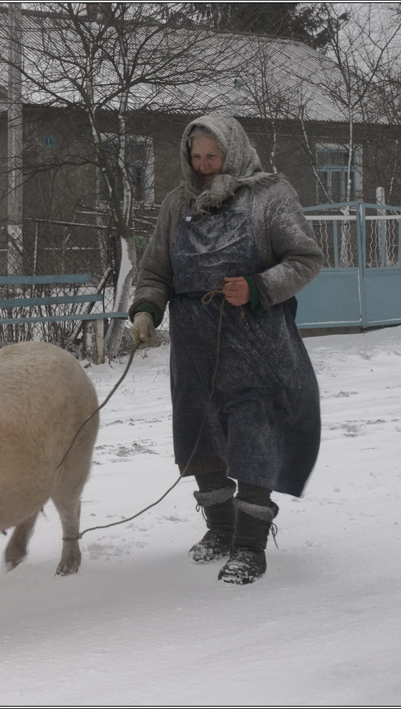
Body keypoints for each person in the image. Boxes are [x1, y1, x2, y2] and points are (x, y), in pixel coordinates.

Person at [129, 114, 323, 585]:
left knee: (255, 441)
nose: (203, 165)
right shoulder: (179, 203)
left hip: (255, 345)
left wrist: (258, 287)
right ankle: (220, 529)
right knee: (200, 439)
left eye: (211, 156)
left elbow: (306, 259)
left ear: (232, 151)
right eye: (195, 157)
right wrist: (146, 310)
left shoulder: (270, 196)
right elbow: (156, 270)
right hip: (195, 349)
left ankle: (250, 546)